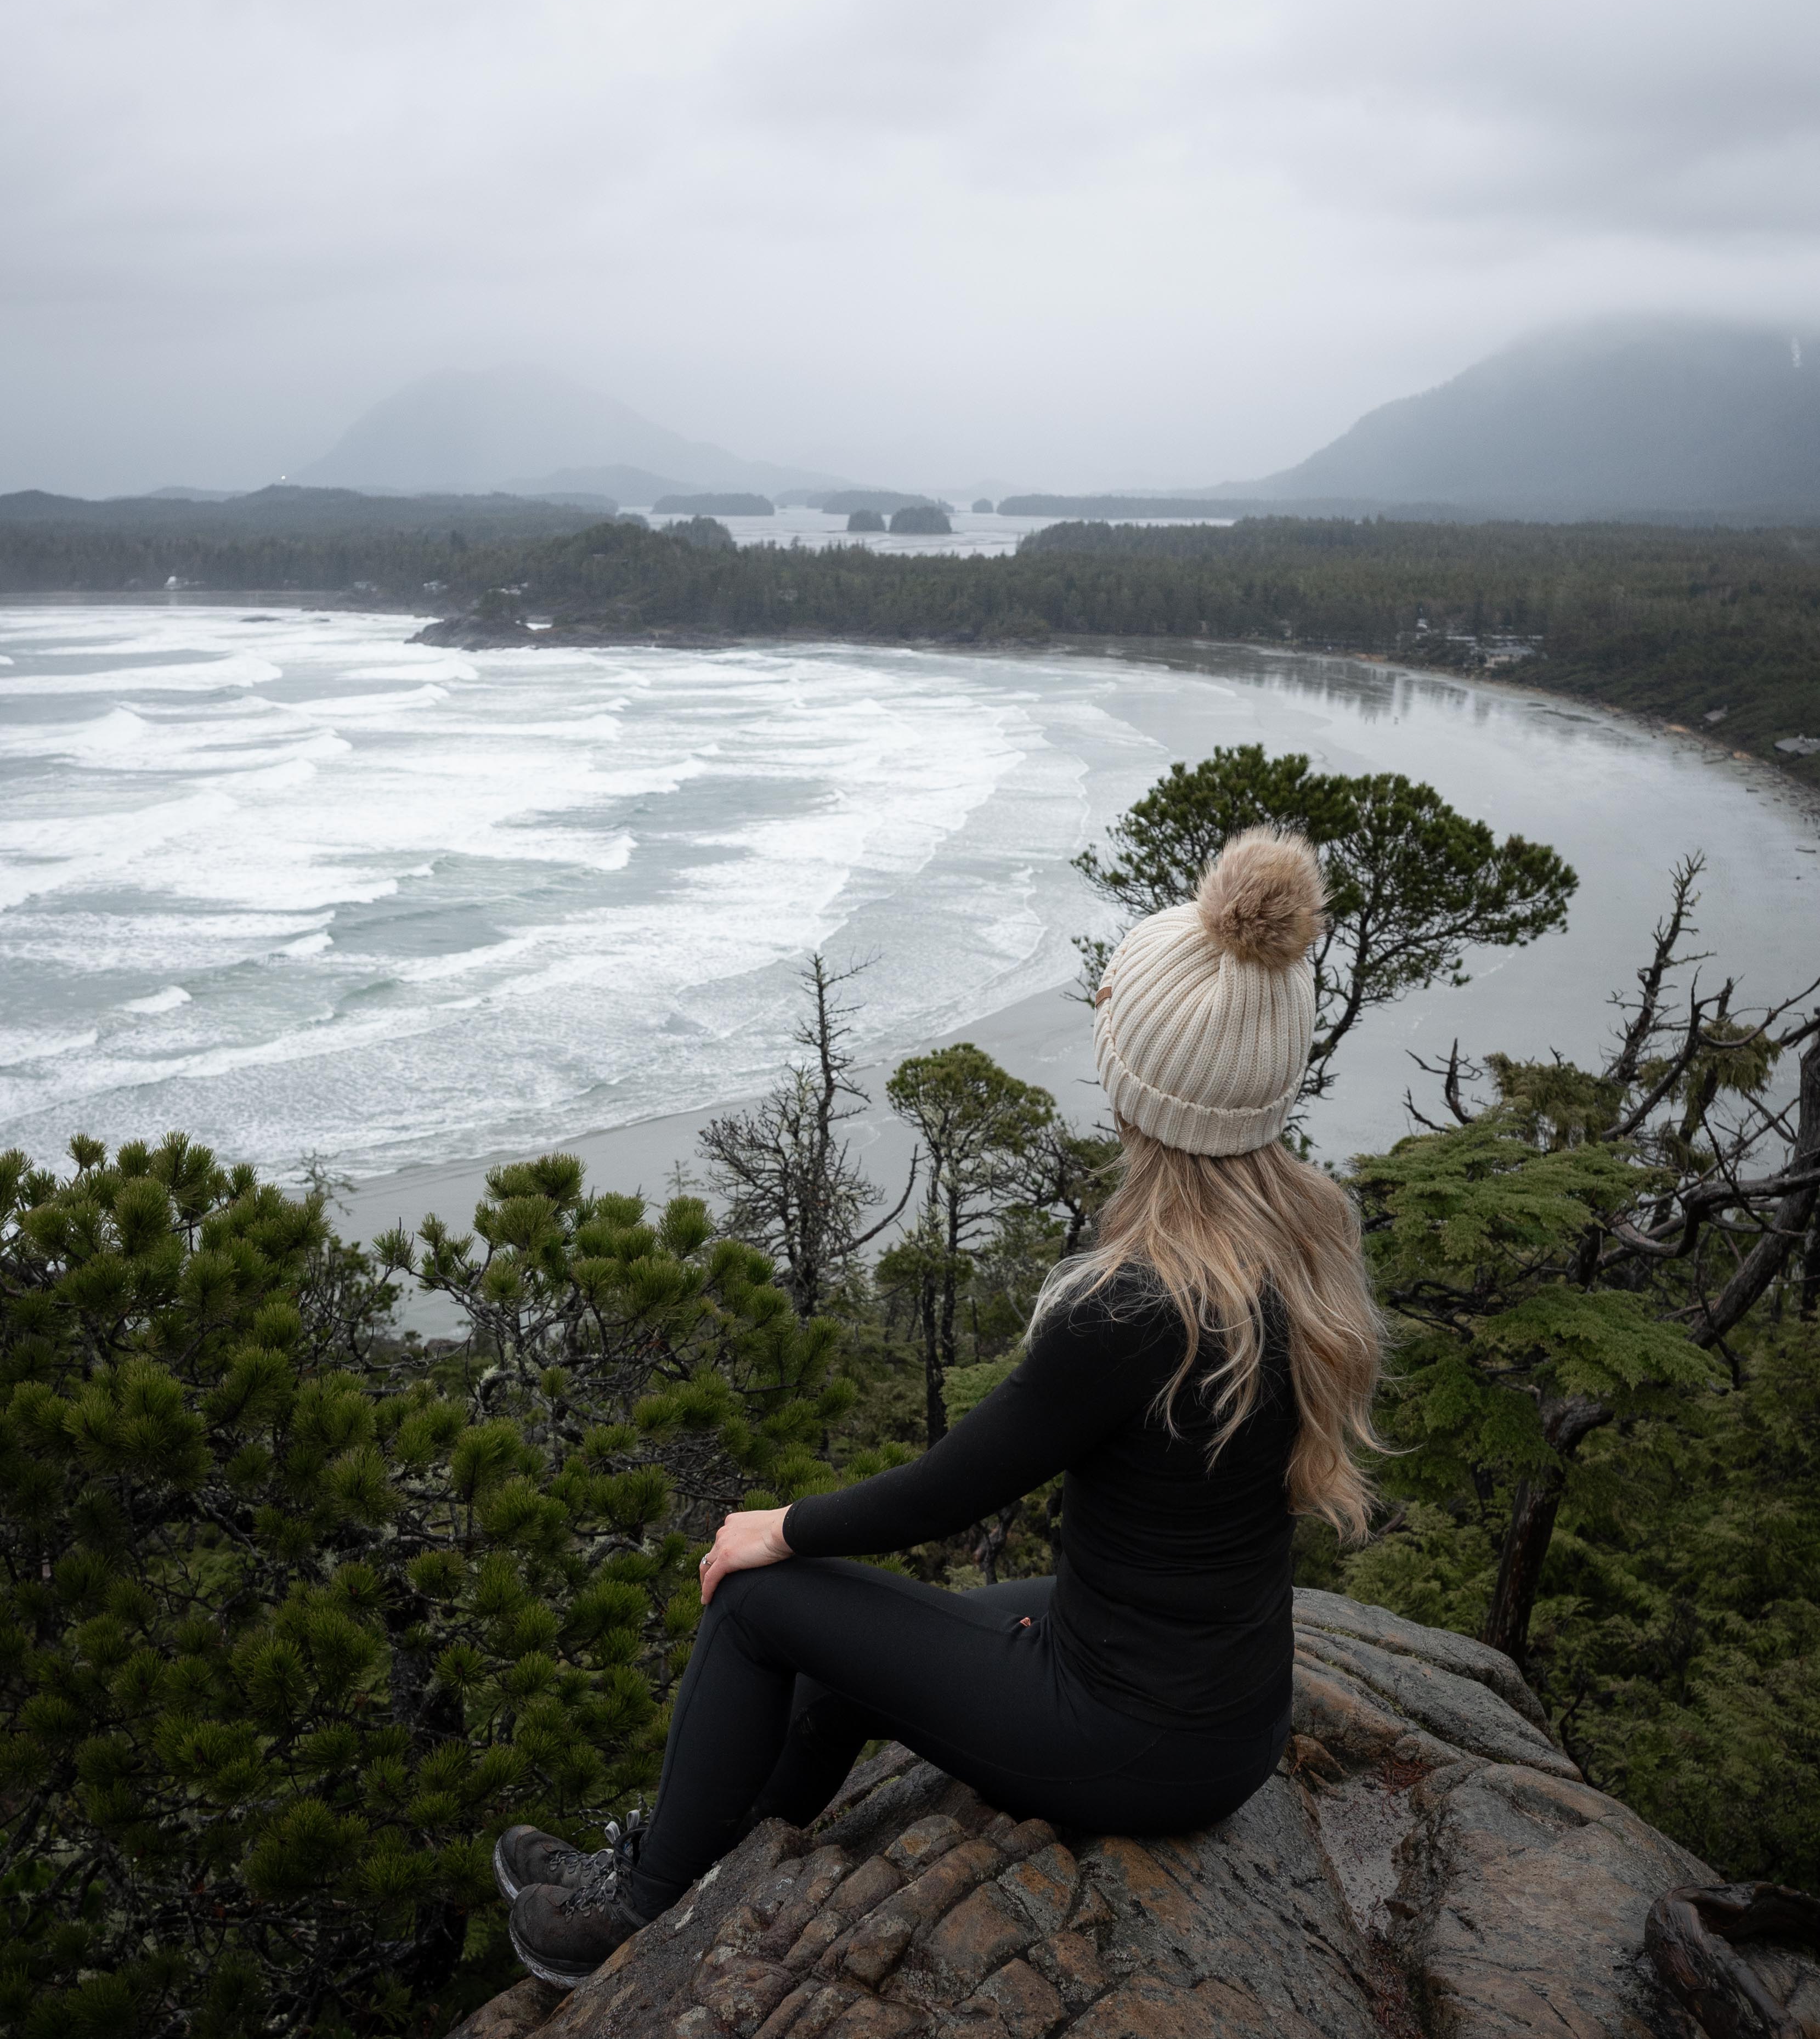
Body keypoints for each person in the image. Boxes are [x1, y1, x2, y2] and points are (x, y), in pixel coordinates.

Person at [498, 826, 1384, 1987]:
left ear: (1137, 1081)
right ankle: (721, 1866)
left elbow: (949, 1488)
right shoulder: (1303, 1239)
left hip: (1123, 1738)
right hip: (1223, 1719)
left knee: (763, 1603)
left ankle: (642, 1906)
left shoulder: (1134, 1305)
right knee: (837, 1661)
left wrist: (781, 1527)